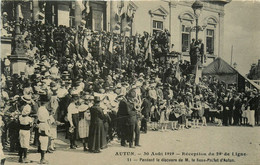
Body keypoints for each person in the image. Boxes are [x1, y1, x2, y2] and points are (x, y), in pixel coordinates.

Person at [37, 92, 51, 164]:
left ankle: (43, 158)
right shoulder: (44, 110)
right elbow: (47, 119)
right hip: (44, 125)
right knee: (44, 141)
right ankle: (42, 159)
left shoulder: (40, 109)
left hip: (41, 124)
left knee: (42, 141)